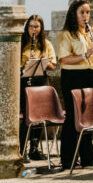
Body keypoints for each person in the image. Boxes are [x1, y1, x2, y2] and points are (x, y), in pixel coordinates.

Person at [57, 0, 93, 170]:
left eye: (87, 12)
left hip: (91, 75)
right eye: (82, 12)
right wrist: (85, 55)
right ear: (74, 14)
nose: (85, 16)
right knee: (73, 117)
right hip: (73, 76)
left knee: (88, 117)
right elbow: (64, 59)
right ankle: (68, 159)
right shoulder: (67, 34)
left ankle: (88, 157)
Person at [19, 14, 56, 160]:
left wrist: (42, 62)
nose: (34, 30)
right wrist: (27, 64)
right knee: (27, 117)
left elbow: (53, 65)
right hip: (25, 81)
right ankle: (22, 150)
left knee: (40, 117)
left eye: (37, 27)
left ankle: (34, 149)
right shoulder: (20, 43)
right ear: (27, 27)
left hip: (40, 81)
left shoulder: (46, 44)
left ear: (41, 28)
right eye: (31, 26)